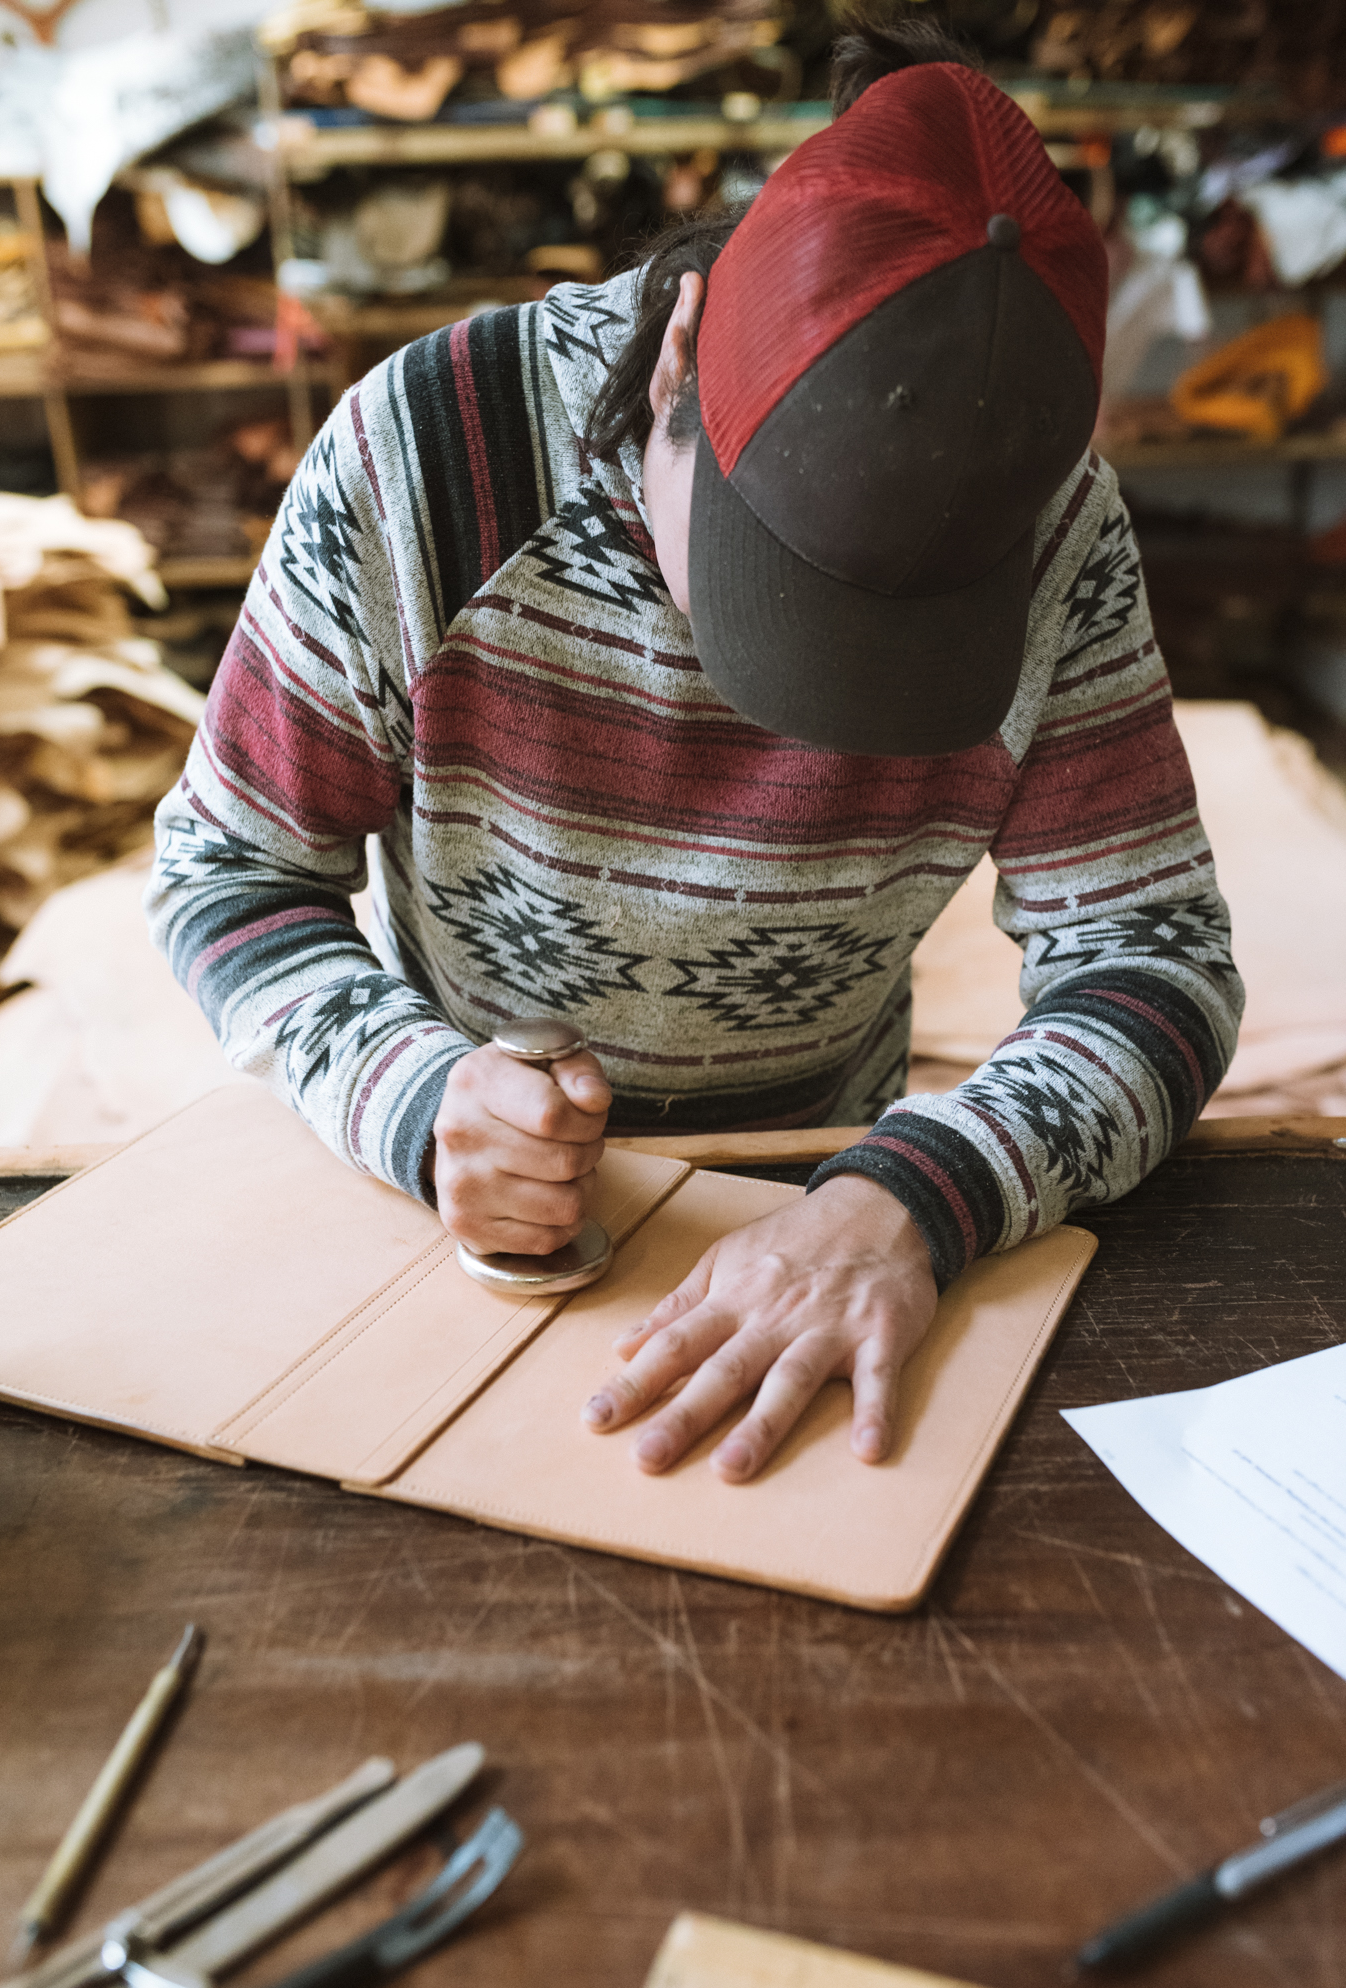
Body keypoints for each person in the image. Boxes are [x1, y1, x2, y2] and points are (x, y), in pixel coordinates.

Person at [147, 23, 1242, 1489]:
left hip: (823, 1180)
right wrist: (413, 1099)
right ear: (677, 351)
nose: (797, 705)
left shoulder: (1062, 536)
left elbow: (1153, 956)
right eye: (766, 577)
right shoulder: (427, 460)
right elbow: (228, 873)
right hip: (461, 1193)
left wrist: (918, 1195)